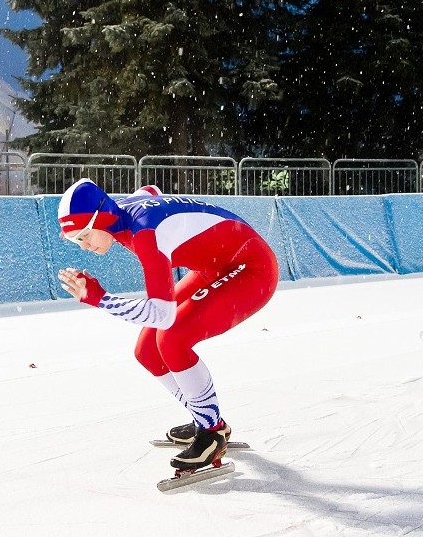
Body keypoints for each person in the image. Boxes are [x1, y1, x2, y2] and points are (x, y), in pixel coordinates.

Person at [57, 178, 279, 472]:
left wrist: (100, 298)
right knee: (146, 349)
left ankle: (211, 432)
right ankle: (206, 418)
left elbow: (162, 315)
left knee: (171, 338)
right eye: (75, 241)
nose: (83, 246)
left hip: (252, 269)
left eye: (84, 235)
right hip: (213, 264)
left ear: (102, 218)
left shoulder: (147, 234)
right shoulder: (122, 208)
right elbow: (151, 192)